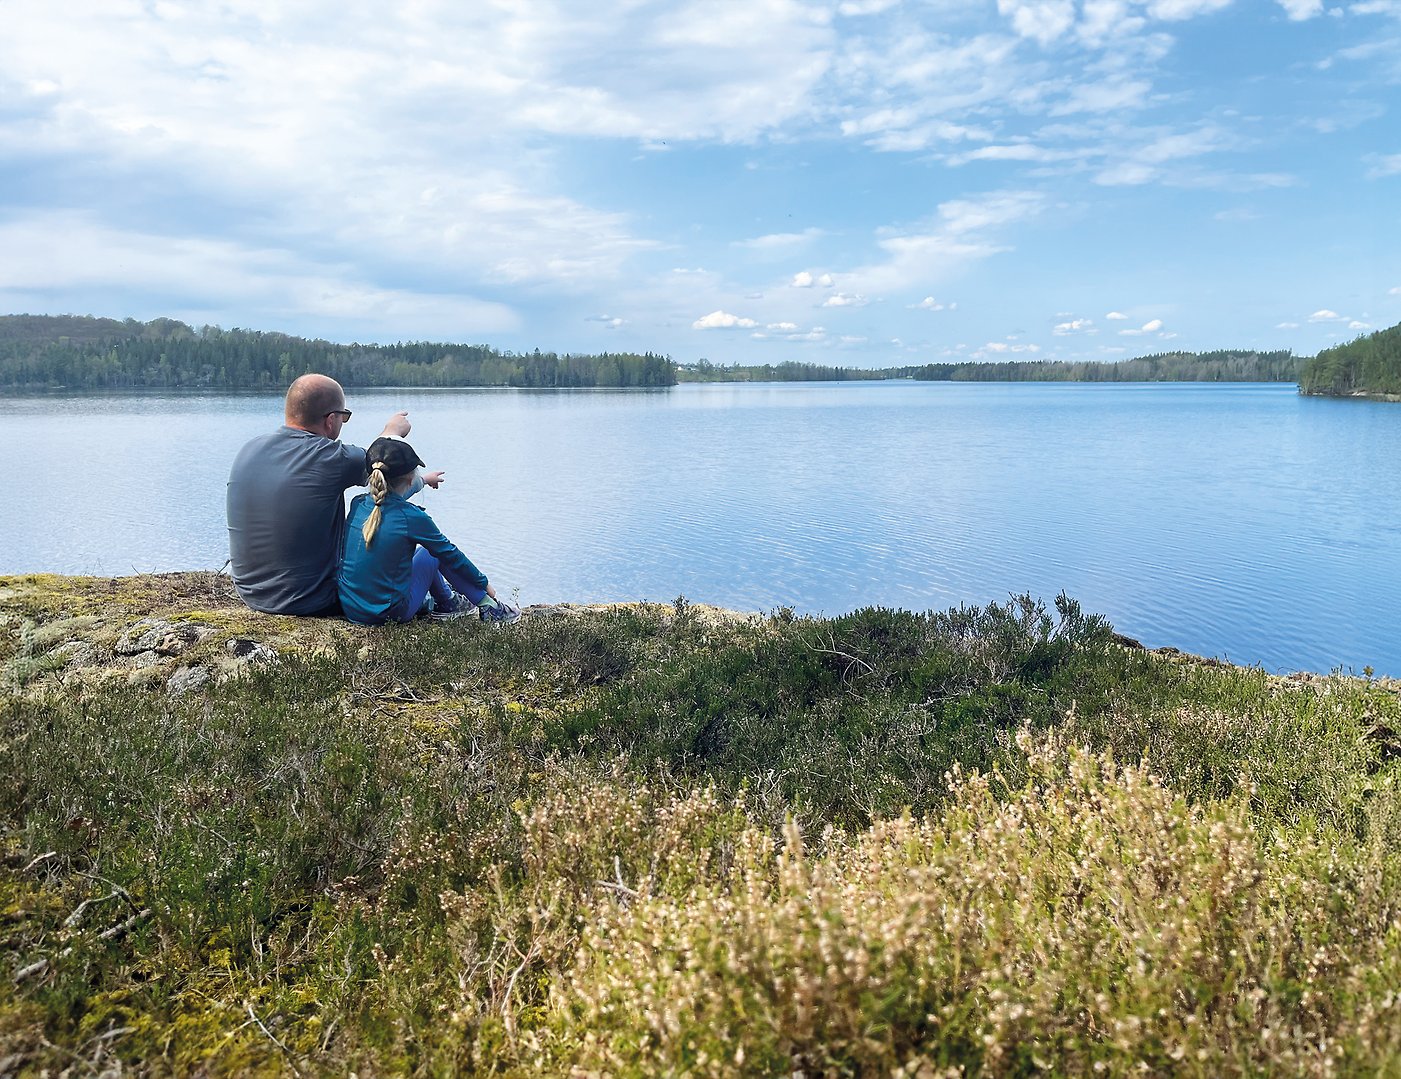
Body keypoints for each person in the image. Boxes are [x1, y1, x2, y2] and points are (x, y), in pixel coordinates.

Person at [226, 374, 422, 616]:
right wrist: (391, 432)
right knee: (420, 556)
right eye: (344, 416)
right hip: (310, 600)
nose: (343, 422)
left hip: (250, 592)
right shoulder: (331, 457)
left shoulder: (249, 449)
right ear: (331, 420)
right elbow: (385, 468)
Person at [338, 436, 521, 626]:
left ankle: (448, 601)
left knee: (422, 554)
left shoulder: (359, 504)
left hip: (351, 607)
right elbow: (450, 554)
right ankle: (487, 606)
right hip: (387, 614)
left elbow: (388, 501)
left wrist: (424, 481)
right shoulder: (412, 518)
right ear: (410, 478)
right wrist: (482, 583)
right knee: (432, 552)